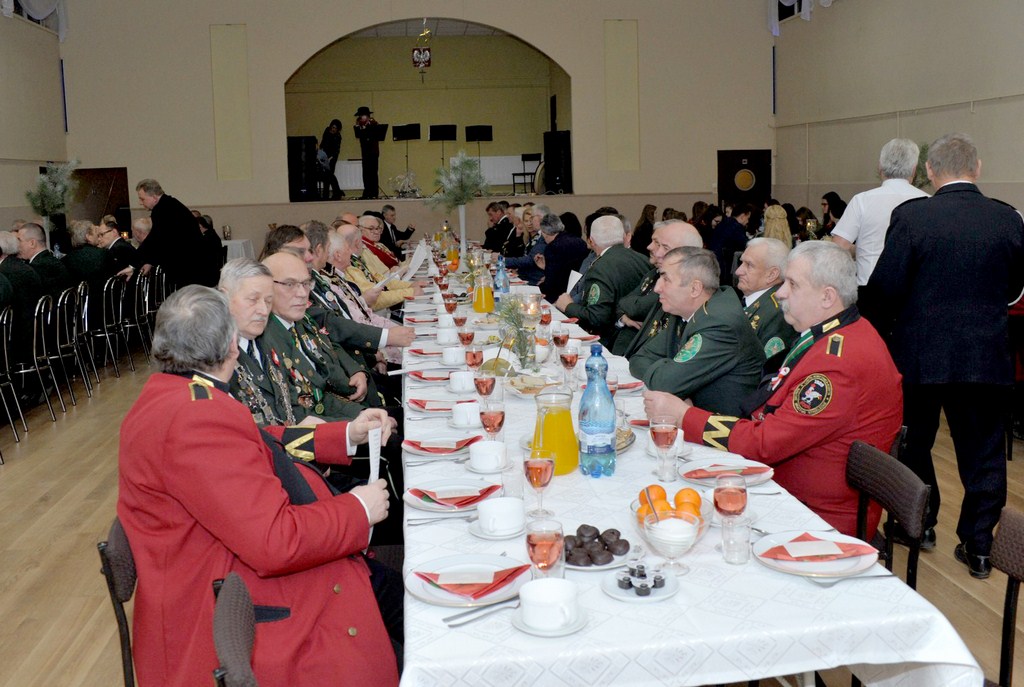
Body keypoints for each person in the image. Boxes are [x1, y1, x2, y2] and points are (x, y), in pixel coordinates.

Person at [117, 285, 399, 687]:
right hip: (220, 601)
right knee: (393, 600)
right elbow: (274, 542)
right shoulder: (196, 418)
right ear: (232, 344)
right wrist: (356, 509)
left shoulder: (178, 393)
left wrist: (345, 434)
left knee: (390, 591)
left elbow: (260, 439)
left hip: (212, 567)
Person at [645, 241, 902, 537]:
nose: (780, 293)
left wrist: (685, 416)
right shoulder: (833, 335)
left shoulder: (838, 363)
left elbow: (766, 443)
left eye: (792, 284)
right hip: (788, 488)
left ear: (827, 297)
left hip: (815, 518)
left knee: (683, 523)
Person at [869, 133, 1024, 579]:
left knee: (915, 442)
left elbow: (885, 287)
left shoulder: (913, 216)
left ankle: (920, 526)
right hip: (985, 353)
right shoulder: (1007, 218)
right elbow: (1016, 288)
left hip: (920, 352)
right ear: (977, 168)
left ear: (930, 173)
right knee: (984, 453)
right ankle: (978, 546)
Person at [629, 247, 762, 416]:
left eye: (666, 279)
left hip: (720, 433)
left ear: (694, 289)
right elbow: (639, 358)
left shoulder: (720, 325)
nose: (657, 288)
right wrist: (674, 378)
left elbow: (666, 382)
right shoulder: (684, 312)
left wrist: (674, 381)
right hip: (694, 420)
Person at [831, 138, 928, 326]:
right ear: (915, 170)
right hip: (914, 293)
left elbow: (837, 249)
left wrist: (858, 250)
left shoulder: (862, 200)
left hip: (870, 292)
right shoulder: (928, 202)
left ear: (880, 168)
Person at [554, 215, 649, 348]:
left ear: (592, 241)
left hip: (610, 342)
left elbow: (597, 317)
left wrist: (568, 306)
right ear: (623, 236)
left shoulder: (599, 267)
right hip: (641, 339)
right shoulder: (643, 259)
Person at [616, 220, 703, 357]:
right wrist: (623, 316)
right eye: (654, 242)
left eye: (662, 245)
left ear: (683, 254)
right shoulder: (652, 273)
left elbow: (635, 308)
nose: (650, 247)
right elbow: (623, 302)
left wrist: (627, 309)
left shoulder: (681, 289)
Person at [135, 178, 206, 289]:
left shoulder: (162, 209)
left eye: (142, 199)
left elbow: (156, 239)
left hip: (188, 265)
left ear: (154, 197)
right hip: (193, 262)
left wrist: (134, 262)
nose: (140, 203)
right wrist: (149, 260)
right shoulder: (169, 204)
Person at [735, 237, 796, 360]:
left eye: (749, 265)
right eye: (741, 263)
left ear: (772, 274)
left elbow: (765, 368)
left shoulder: (777, 314)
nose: (738, 271)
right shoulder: (754, 300)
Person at [535, 211, 589, 301]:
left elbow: (552, 282)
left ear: (544, 233)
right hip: (579, 292)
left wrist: (537, 289)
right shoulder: (580, 241)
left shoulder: (552, 247)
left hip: (559, 296)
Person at [16, 221, 73, 298]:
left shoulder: (37, 267)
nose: (17, 245)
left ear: (32, 243)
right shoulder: (51, 260)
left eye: (19, 241)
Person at [705, 202, 749, 285]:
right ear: (743, 216)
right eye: (748, 218)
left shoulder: (725, 224)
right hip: (724, 264)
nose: (748, 221)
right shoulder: (736, 227)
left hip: (714, 261)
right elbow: (745, 244)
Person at [504, 203, 547, 284]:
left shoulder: (543, 236)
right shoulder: (530, 237)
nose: (529, 223)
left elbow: (530, 260)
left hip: (534, 280)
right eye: (526, 221)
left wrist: (503, 260)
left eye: (531, 220)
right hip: (525, 276)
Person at [353, 106, 380, 200]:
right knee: (366, 172)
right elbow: (358, 135)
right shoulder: (359, 125)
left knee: (373, 172)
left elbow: (374, 135)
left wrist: (365, 127)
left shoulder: (373, 123)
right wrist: (358, 126)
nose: (361, 118)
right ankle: (367, 192)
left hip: (373, 152)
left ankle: (374, 193)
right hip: (365, 152)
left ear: (367, 116)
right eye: (360, 116)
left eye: (362, 116)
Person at [319, 118, 344, 200]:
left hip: (332, 158)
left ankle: (334, 193)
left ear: (338, 129)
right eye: (333, 127)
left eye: (336, 128)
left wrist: (330, 158)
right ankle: (335, 193)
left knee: (329, 175)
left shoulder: (338, 137)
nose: (333, 129)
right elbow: (322, 144)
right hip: (324, 156)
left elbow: (336, 150)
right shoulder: (326, 131)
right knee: (328, 176)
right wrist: (321, 154)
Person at [196, 213, 223, 287]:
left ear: (201, 226)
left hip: (207, 273)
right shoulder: (212, 234)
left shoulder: (206, 238)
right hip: (213, 270)